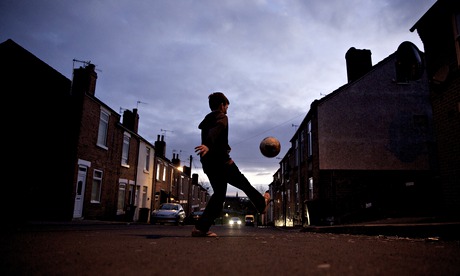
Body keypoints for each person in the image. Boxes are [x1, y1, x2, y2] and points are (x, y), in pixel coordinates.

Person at [192, 92, 270, 237]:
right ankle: (261, 204)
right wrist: (208, 145)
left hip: (209, 163)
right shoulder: (222, 117)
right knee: (243, 183)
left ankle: (201, 228)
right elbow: (217, 130)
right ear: (222, 105)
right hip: (222, 163)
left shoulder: (207, 120)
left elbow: (215, 135)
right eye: (227, 106)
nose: (227, 109)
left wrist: (223, 146)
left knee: (219, 195)